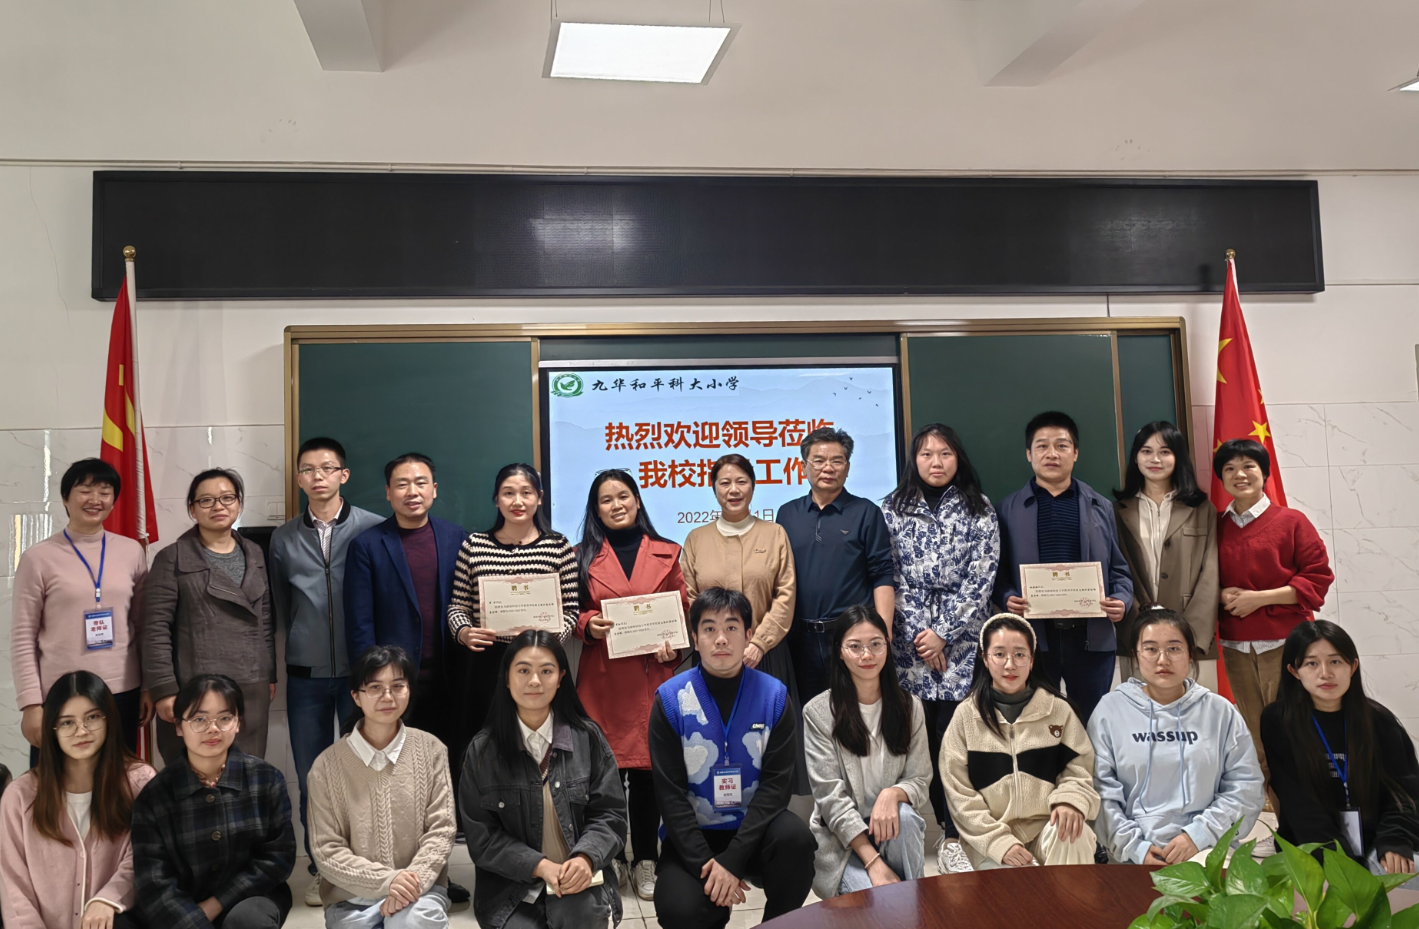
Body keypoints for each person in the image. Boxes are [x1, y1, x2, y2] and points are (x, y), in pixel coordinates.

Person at [344, 453, 470, 904]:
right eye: (401, 483)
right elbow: (360, 624)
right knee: (395, 787)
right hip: (395, 690)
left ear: (434, 488)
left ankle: (437, 876)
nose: (412, 491)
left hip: (450, 683)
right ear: (387, 492)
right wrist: (374, 687)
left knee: (441, 786)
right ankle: (390, 879)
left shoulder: (458, 538)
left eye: (421, 482)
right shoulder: (367, 545)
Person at [649, 588, 814, 929]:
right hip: (693, 835)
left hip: (756, 829)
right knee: (680, 909)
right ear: (695, 639)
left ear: (748, 635)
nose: (721, 638)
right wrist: (711, 867)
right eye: (709, 628)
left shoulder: (774, 696)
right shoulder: (670, 699)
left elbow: (776, 788)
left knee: (796, 842)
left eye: (731, 627)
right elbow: (670, 796)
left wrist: (733, 860)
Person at [268, 436, 385, 907]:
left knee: (367, 772)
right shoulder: (282, 538)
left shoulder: (372, 528)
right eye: (309, 470)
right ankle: (322, 868)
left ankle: (366, 865)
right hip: (306, 674)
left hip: (362, 676)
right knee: (312, 774)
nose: (318, 477)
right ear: (299, 479)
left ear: (344, 475)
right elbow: (280, 607)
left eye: (328, 468)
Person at [881, 423, 999, 873]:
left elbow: (982, 578)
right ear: (914, 460)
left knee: (959, 738)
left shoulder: (978, 508)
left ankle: (956, 833)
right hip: (909, 645)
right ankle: (935, 826)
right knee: (920, 740)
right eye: (926, 454)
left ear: (958, 458)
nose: (936, 462)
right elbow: (890, 576)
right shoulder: (892, 508)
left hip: (963, 644)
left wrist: (944, 634)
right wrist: (923, 636)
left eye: (945, 453)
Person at [459, 631, 628, 929]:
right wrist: (540, 866)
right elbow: (482, 837)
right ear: (507, 678)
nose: (535, 681)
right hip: (511, 886)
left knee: (584, 918)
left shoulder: (588, 738)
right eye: (523, 670)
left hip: (579, 877)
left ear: (561, 677)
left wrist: (585, 858)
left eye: (546, 671)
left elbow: (610, 815)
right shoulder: (482, 751)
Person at [573, 469, 689, 901]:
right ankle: (610, 857)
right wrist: (588, 624)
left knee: (646, 777)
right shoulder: (579, 556)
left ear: (637, 501)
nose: (616, 505)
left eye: (623, 496)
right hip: (602, 680)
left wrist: (672, 650)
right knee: (603, 778)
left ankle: (645, 860)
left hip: (649, 679)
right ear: (595, 509)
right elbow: (569, 610)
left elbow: (681, 614)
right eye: (606, 500)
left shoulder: (667, 553)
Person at [1088, 610, 1264, 865]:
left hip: (1207, 849)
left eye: (1174, 648)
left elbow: (1245, 786)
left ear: (1190, 654)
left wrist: (1198, 836)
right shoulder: (1110, 710)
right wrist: (1135, 847)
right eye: (1151, 649)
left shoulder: (1219, 711)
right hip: (1132, 854)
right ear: (1136, 656)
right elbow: (1099, 788)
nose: (1163, 660)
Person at [995, 411, 1133, 724]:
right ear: (1029, 454)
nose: (1052, 453)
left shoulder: (1102, 506)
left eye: (1061, 445)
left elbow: (1120, 571)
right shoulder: (1006, 510)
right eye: (1042, 446)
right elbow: (997, 576)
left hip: (1090, 638)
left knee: (1091, 723)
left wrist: (1122, 601)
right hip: (1033, 641)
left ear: (1076, 452)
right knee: (1036, 725)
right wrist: (1006, 597)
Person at [130, 674, 296, 929]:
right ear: (178, 726)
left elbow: (278, 859)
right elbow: (153, 881)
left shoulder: (266, 779)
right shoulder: (155, 795)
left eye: (224, 718)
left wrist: (215, 904)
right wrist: (193, 921)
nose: (213, 729)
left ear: (238, 723)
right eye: (199, 719)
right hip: (182, 906)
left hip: (251, 897)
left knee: (248, 922)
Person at [307, 645, 455, 928]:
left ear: (409, 690)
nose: (388, 697)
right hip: (351, 898)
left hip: (419, 892)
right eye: (375, 688)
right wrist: (388, 881)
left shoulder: (431, 750)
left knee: (413, 923)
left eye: (398, 686)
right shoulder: (326, 766)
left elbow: (442, 830)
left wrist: (407, 886)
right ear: (356, 696)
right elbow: (327, 850)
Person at [1214, 438, 1334, 785]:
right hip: (1236, 645)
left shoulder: (1292, 521)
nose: (1240, 474)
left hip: (1286, 643)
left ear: (1264, 472)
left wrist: (1260, 599)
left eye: (1248, 466)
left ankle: (1310, 810)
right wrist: (1219, 594)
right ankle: (1276, 809)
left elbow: (1318, 577)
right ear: (1221, 477)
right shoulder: (1215, 526)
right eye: (1230, 468)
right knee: (1257, 737)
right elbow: (1201, 577)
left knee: (1296, 731)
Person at [12, 459, 151, 757]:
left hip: (122, 691)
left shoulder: (131, 552)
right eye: (85, 490)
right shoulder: (38, 558)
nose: (95, 499)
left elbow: (142, 626)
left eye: (105, 491)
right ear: (66, 498)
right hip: (61, 693)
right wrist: (30, 704)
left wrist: (146, 687)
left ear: (114, 500)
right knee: (58, 781)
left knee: (117, 780)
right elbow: (23, 637)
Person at [1261, 621, 1419, 882]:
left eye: (1335, 661)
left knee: (1408, 879)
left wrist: (1395, 839)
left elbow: (1405, 790)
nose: (1325, 673)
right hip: (1313, 846)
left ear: (1353, 666)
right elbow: (1298, 804)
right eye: (1312, 663)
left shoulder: (1379, 720)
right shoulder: (1279, 722)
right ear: (1294, 671)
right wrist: (1342, 865)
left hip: (1377, 841)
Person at [941, 613, 1100, 870]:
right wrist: (1000, 843)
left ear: (1032, 659)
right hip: (990, 838)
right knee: (1018, 892)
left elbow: (1079, 768)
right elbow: (959, 794)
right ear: (985, 658)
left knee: (1074, 834)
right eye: (999, 654)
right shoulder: (966, 716)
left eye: (1019, 654)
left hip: (1046, 828)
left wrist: (1070, 800)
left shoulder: (1059, 711)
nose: (1010, 664)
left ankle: (1071, 900)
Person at [0, 671, 156, 929]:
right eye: (67, 722)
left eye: (92, 717)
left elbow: (145, 855)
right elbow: (13, 885)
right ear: (52, 728)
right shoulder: (19, 796)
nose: (81, 731)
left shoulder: (139, 782)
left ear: (109, 718)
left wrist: (109, 898)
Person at [141, 468, 276, 764]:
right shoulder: (172, 557)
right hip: (194, 689)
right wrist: (164, 689)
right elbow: (155, 629)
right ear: (192, 509)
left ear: (239, 504)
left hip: (251, 686)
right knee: (194, 776)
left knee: (246, 773)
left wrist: (269, 674)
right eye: (206, 500)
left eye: (227, 498)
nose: (218, 506)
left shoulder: (254, 553)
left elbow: (264, 620)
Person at [446, 464, 579, 759]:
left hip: (541, 661)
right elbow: (458, 606)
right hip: (488, 662)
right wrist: (464, 632)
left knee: (543, 746)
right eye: (508, 493)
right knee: (486, 747)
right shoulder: (474, 545)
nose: (517, 501)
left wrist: (552, 638)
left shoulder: (558, 546)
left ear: (539, 498)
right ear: (496, 499)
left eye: (526, 493)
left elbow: (571, 610)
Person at [803, 605, 930, 898]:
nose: (867, 655)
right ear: (839, 651)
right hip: (843, 844)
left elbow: (920, 779)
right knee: (880, 906)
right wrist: (874, 863)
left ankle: (918, 905)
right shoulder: (819, 713)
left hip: (893, 829)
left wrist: (893, 794)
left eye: (875, 644)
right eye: (855, 647)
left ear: (887, 645)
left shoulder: (910, 707)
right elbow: (830, 799)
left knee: (906, 816)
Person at [776, 427, 895, 705]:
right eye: (818, 460)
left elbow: (882, 575)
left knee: (855, 713)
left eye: (837, 460)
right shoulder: (787, 514)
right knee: (806, 714)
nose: (827, 468)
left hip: (851, 637)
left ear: (847, 467)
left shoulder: (866, 513)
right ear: (803, 466)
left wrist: (882, 634)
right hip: (798, 639)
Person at [1112, 422, 1219, 682]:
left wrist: (1188, 635)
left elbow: (1211, 573)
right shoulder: (1116, 510)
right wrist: (1138, 628)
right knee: (1140, 706)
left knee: (1197, 706)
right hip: (1136, 637)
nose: (1155, 459)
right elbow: (1115, 569)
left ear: (1178, 457)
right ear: (1135, 457)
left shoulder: (1202, 509)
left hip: (1192, 635)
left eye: (1165, 452)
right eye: (1146, 451)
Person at [681, 453, 798, 685]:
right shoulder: (696, 539)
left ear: (753, 486)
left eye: (741, 482)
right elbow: (689, 597)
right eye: (725, 483)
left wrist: (759, 643)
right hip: (712, 654)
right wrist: (712, 638)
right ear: (714, 489)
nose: (733, 490)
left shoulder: (774, 534)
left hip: (765, 654)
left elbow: (786, 595)